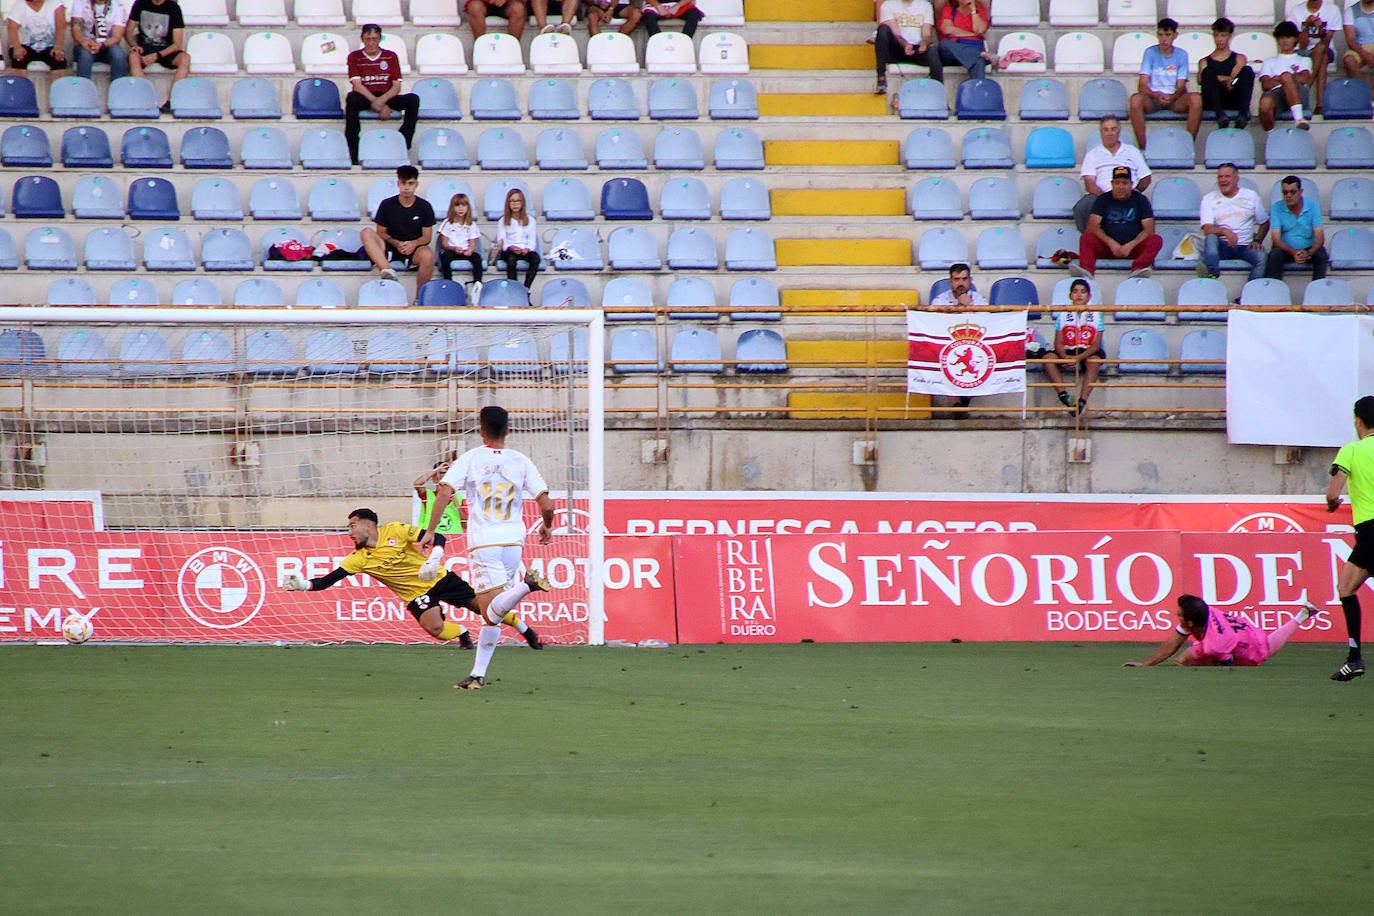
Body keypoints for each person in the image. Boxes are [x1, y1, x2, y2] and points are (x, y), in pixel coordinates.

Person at [420, 406, 557, 690]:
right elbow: (547, 504)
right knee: (495, 613)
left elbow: (445, 492)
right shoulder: (521, 461)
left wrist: (431, 531)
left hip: (484, 543)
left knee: (489, 612)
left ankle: (526, 586)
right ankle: (477, 675)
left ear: (480, 430)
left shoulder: (471, 459)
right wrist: (547, 526)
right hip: (513, 543)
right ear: (509, 430)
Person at [281, 507, 478, 650]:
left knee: (482, 608)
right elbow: (326, 581)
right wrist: (303, 584)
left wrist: (434, 559)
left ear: (368, 525)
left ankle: (511, 621)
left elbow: (437, 537)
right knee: (435, 629)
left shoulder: (394, 530)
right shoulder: (358, 559)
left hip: (439, 578)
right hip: (414, 594)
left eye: (352, 526)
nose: (349, 533)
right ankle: (462, 632)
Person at [1324, 395, 1374, 682]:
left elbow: (1333, 494)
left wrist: (1332, 503)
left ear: (1358, 421)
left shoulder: (1352, 450)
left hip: (1371, 532)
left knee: (1346, 589)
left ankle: (1355, 657)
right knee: (1348, 584)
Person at [1123, 594, 1319, 667]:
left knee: (1265, 650)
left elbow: (1224, 659)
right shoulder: (1204, 612)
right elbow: (1171, 645)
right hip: (1244, 630)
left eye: (1179, 614)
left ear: (1190, 622)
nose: (1176, 614)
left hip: (1250, 645)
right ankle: (1303, 614)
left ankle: (1302, 615)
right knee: (1182, 660)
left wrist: (1203, 664)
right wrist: (1145, 664)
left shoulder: (1214, 645)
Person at [344, 23, 419, 167]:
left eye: (374, 38)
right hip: (366, 96)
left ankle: (404, 141)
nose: (371, 43)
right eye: (368, 39)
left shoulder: (390, 56)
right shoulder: (354, 57)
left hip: (387, 96)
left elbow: (396, 86)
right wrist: (377, 103)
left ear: (380, 39)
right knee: (352, 98)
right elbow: (357, 85)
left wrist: (383, 102)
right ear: (362, 39)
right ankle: (354, 147)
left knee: (413, 100)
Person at [1074, 165, 1163, 279]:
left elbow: (1149, 230)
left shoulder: (1141, 200)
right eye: (1117, 183)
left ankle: (1137, 270)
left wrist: (1130, 245)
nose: (1120, 187)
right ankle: (1086, 273)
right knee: (1086, 238)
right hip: (1107, 248)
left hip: (1132, 249)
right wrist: (1111, 243)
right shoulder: (1103, 199)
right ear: (1112, 184)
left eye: (1124, 183)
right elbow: (1093, 227)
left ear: (1131, 184)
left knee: (1156, 240)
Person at [1128, 17, 1202, 149]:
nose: (1164, 39)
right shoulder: (1150, 52)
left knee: (1196, 99)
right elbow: (1142, 85)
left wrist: (1172, 97)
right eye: (1161, 35)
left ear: (1175, 35)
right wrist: (1156, 95)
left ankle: (1188, 146)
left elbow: (1181, 87)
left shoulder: (1181, 54)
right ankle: (1143, 148)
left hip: (1174, 99)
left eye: (1167, 35)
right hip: (1153, 99)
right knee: (1135, 100)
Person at [362, 165, 436, 288]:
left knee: (427, 255)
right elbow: (381, 232)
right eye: (403, 183)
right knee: (366, 232)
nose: (407, 187)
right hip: (389, 246)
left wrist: (413, 244)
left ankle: (420, 299)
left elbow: (427, 237)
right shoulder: (387, 204)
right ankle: (387, 270)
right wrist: (396, 243)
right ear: (398, 183)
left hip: (414, 249)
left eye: (410, 183)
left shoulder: (425, 206)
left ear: (416, 184)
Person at [1074, 115, 1152, 233]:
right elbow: (1089, 183)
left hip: (1129, 195)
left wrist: (1135, 191)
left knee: (1142, 202)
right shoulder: (1092, 154)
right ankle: (1090, 238)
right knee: (1083, 205)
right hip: (1101, 196)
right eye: (1105, 129)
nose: (1109, 133)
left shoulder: (1132, 151)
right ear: (1101, 132)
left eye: (1113, 129)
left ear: (1119, 131)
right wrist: (1106, 198)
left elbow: (1146, 177)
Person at [929, 262, 986, 418]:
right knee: (939, 355)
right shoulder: (939, 301)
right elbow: (935, 326)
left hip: (973, 343)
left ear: (970, 280)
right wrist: (959, 308)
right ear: (950, 281)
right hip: (946, 342)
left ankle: (965, 398)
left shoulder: (979, 300)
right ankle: (956, 403)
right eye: (957, 279)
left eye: (964, 279)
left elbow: (986, 325)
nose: (961, 283)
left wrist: (969, 308)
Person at [1197, 162, 1268, 281]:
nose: (1223, 180)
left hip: (1245, 246)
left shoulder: (1251, 196)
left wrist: (1257, 240)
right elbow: (1207, 228)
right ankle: (1212, 274)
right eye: (1220, 177)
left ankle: (1249, 294)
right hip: (1223, 246)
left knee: (1262, 257)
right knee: (1211, 238)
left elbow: (1265, 222)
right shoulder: (1209, 198)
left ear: (1236, 179)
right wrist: (1224, 231)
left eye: (1227, 176)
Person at [1043, 279, 1104, 417]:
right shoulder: (1063, 314)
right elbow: (1058, 342)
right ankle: (1064, 396)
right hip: (1068, 349)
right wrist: (1065, 357)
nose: (1079, 295)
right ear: (1070, 296)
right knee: (1048, 358)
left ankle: (1082, 401)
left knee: (1094, 361)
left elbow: (1096, 344)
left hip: (1087, 351)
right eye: (1075, 292)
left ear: (1089, 297)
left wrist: (1078, 358)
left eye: (1083, 292)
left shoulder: (1097, 315)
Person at [125, 0, 190, 112]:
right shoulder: (140, 3)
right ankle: (148, 100)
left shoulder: (173, 7)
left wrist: (157, 55)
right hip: (144, 47)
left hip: (166, 50)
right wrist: (134, 45)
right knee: (133, 56)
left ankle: (172, 102)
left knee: (185, 59)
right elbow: (128, 31)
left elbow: (177, 44)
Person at [1264, 175, 1328, 281]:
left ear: (1300, 191)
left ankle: (1317, 291)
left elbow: (1320, 238)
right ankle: (1274, 291)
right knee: (1274, 255)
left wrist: (1308, 253)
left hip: (1308, 248)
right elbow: (1276, 239)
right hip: (1286, 249)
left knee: (1321, 255)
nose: (1288, 195)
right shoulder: (1276, 207)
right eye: (1285, 192)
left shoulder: (1313, 206)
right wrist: (1294, 252)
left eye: (1293, 192)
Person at [873, 0, 942, 95]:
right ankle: (881, 78)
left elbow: (927, 33)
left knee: (932, 50)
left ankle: (938, 91)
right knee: (883, 30)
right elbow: (896, 33)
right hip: (898, 48)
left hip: (917, 49)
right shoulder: (888, 5)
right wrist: (905, 44)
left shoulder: (925, 5)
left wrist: (924, 43)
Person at [1197, 17, 1254, 129]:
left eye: (1223, 35)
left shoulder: (1239, 58)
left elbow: (1235, 78)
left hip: (1232, 95)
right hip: (1213, 100)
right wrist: (1223, 78)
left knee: (1247, 71)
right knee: (1207, 73)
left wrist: (1221, 78)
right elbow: (1201, 80)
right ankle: (1220, 116)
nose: (1219, 39)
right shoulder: (1204, 61)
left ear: (1230, 36)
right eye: (1217, 35)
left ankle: (1243, 115)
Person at [1287, 0, 1339, 115]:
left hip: (1326, 48)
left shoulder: (1332, 10)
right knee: (1323, 58)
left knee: (1321, 48)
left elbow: (1327, 42)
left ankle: (1305, 90)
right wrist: (1306, 26)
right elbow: (1302, 45)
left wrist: (1321, 30)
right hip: (1304, 51)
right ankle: (1320, 105)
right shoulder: (1296, 11)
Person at [1258, 21, 1312, 131]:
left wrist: (1282, 78)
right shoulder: (1269, 62)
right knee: (1264, 103)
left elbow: (1304, 79)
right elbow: (1266, 84)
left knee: (1286, 76)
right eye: (1281, 37)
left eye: (1288, 37)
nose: (1284, 41)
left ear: (1295, 39)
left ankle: (1299, 118)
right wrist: (1285, 79)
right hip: (1277, 95)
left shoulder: (1304, 60)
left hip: (1299, 93)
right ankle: (1271, 134)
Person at [436, 192, 483, 299]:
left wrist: (469, 251)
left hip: (465, 251)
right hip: (452, 250)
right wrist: (454, 248)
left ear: (468, 208)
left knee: (477, 258)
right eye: (457, 205)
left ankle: (477, 284)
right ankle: (449, 282)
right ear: (452, 208)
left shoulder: (471, 224)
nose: (460, 208)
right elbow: (444, 243)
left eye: (463, 205)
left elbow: (472, 243)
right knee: (445, 256)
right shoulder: (447, 223)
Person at [70, 0, 131, 82]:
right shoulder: (80, 2)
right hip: (85, 45)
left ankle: (117, 90)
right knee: (85, 55)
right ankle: (83, 90)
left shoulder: (118, 5)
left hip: (107, 46)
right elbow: (76, 28)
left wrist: (101, 44)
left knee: (118, 53)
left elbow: (117, 37)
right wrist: (84, 42)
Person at [937, 0, 996, 81]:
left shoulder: (980, 12)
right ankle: (979, 54)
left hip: (974, 48)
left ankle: (976, 91)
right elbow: (947, 29)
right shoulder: (949, 10)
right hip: (954, 53)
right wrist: (972, 34)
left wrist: (973, 11)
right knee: (944, 44)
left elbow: (979, 30)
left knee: (978, 61)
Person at [495, 187, 540, 289]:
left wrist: (527, 249)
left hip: (524, 249)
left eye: (518, 201)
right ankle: (514, 288)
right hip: (509, 250)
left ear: (522, 203)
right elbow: (502, 240)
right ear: (508, 203)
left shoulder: (531, 220)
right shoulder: (503, 221)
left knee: (535, 258)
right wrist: (511, 247)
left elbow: (531, 240)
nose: (515, 204)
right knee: (511, 259)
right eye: (512, 201)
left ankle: (526, 288)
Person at [7, 0, 68, 73]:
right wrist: (17, 47)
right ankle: (21, 83)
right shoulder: (20, 4)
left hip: (50, 46)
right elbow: (12, 27)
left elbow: (61, 28)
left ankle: (57, 84)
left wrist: (58, 47)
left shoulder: (56, 4)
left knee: (59, 60)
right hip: (25, 46)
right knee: (18, 60)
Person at [413, 461, 464, 537]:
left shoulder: (458, 497)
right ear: (434, 477)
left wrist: (456, 503)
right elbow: (417, 484)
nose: (443, 476)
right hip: (432, 536)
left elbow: (465, 523)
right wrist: (436, 469)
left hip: (455, 537)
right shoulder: (428, 494)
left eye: (446, 473)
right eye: (440, 473)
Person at [1342, 0, 1374, 87]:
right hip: (1360, 46)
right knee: (1349, 61)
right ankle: (1362, 91)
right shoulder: (1351, 10)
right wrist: (1365, 54)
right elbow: (1350, 39)